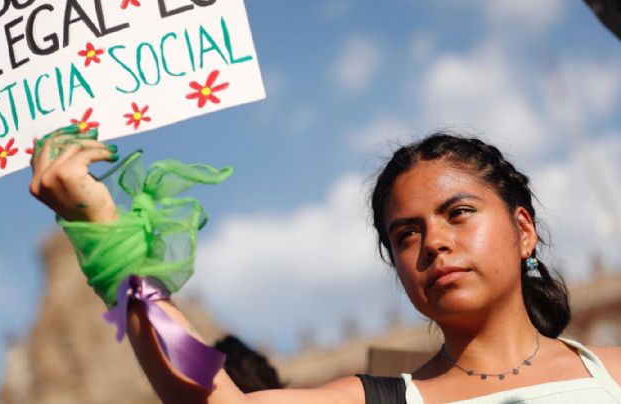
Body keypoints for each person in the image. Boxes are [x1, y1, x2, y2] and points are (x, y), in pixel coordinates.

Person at [30, 131, 621, 403]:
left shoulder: (612, 372)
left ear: (523, 230)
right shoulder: (381, 401)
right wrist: (109, 242)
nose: (434, 243)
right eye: (405, 233)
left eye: (459, 213)